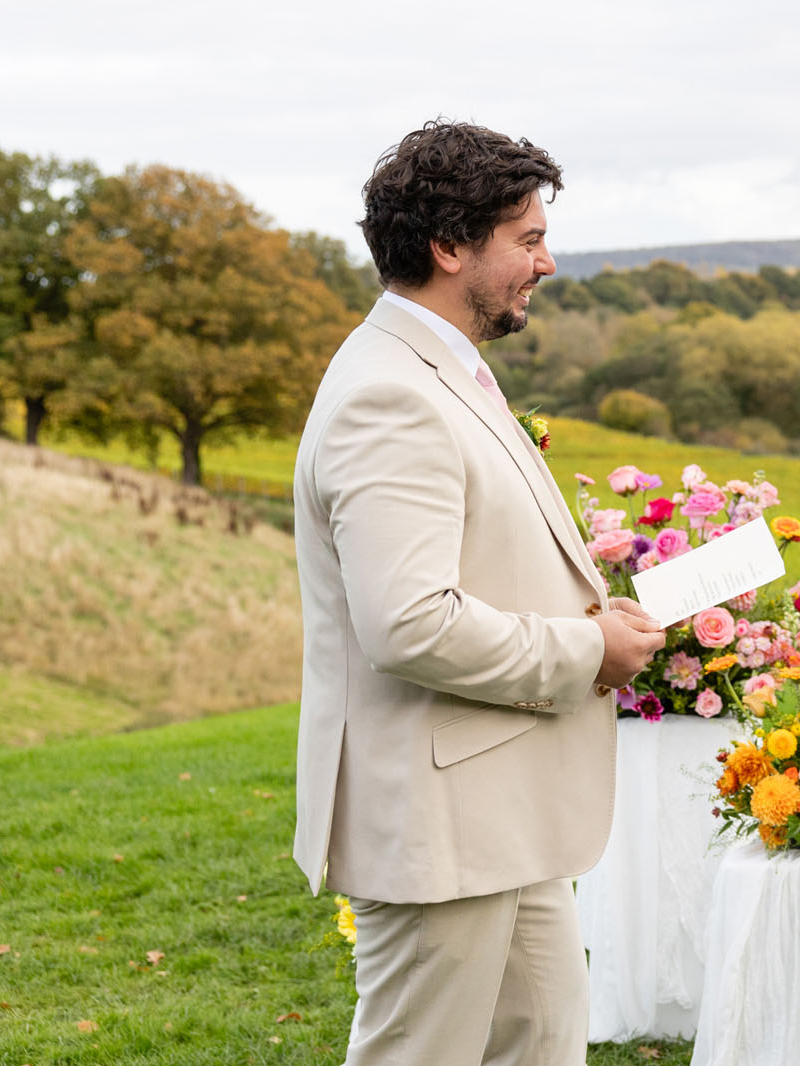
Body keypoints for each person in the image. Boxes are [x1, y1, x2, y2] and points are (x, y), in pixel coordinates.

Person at [291, 121, 665, 1066]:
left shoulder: (445, 368)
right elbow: (408, 623)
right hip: (439, 820)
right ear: (450, 247)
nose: (547, 261)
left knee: (542, 1044)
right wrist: (591, 652)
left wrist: (590, 614)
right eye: (528, 240)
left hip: (501, 810)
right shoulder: (391, 395)